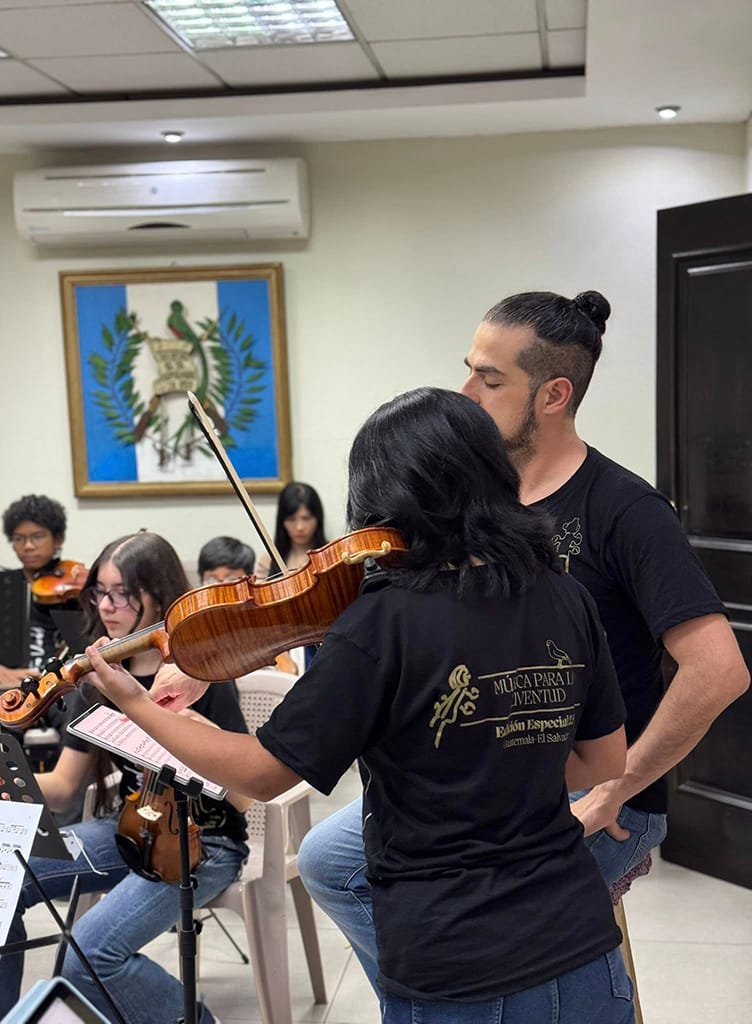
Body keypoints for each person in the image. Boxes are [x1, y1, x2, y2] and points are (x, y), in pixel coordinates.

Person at [85, 387, 634, 1023]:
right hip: (584, 948)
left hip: (459, 968)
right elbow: (603, 759)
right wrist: (501, 759)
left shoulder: (385, 620)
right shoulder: (566, 595)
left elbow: (262, 773)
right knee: (327, 860)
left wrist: (139, 705)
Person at [292, 289, 750, 993]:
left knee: (486, 936)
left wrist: (614, 788)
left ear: (553, 394)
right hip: (481, 777)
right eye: (469, 369)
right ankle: (438, 1002)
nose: (465, 392)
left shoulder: (625, 510)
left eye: (491, 378)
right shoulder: (473, 504)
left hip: (587, 786)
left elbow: (719, 671)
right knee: (330, 860)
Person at [0, 531, 250, 1024]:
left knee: (88, 957)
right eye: (100, 592)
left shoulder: (199, 670)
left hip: (204, 842)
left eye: (123, 593)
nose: (107, 606)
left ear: (158, 594)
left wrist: (195, 728)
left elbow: (242, 799)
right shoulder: (99, 672)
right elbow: (63, 787)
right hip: (125, 828)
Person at [0, 494, 81, 690]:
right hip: (10, 689)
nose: (28, 546)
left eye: (37, 536)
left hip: (61, 688)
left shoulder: (73, 587)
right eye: (19, 538)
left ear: (58, 539)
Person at [254, 481, 326, 580]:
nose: (299, 527)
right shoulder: (268, 562)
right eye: (291, 519)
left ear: (318, 519)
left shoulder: (329, 556)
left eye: (306, 518)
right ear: (282, 521)